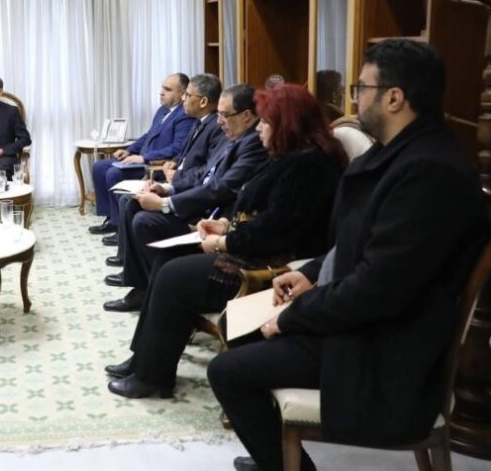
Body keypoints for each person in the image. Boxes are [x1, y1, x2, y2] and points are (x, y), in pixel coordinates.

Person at [208, 40, 488, 471]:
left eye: (361, 88)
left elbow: (379, 287)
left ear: (394, 97)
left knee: (229, 372)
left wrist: (294, 316)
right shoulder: (401, 154)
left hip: (384, 350)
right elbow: (360, 244)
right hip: (365, 324)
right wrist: (313, 273)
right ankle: (278, 459)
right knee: (241, 332)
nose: (355, 99)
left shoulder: (431, 173)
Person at [106, 85, 347, 399]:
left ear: (287, 125)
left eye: (266, 122)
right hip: (257, 249)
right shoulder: (289, 157)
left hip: (271, 267)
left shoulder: (308, 167)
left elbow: (273, 231)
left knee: (172, 276)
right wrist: (224, 224)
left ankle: (152, 376)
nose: (259, 128)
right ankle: (143, 360)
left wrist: (222, 242)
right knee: (166, 261)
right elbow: (262, 215)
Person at [104, 82, 267, 312]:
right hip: (198, 202)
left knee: (144, 220)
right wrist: (167, 189)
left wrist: (165, 203)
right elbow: (205, 173)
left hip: (211, 216)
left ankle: (153, 289)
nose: (219, 121)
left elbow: (221, 188)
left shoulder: (253, 143)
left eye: (224, 115)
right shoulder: (233, 135)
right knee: (133, 204)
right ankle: (142, 286)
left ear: (247, 116)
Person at [87, 74, 194, 235]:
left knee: (114, 173)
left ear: (182, 93)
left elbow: (178, 148)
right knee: (99, 167)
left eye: (167, 89)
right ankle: (111, 219)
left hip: (154, 165)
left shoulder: (185, 115)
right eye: (162, 88)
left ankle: (121, 227)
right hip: (141, 160)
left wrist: (144, 157)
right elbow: (148, 135)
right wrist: (129, 150)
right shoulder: (163, 110)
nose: (161, 92)